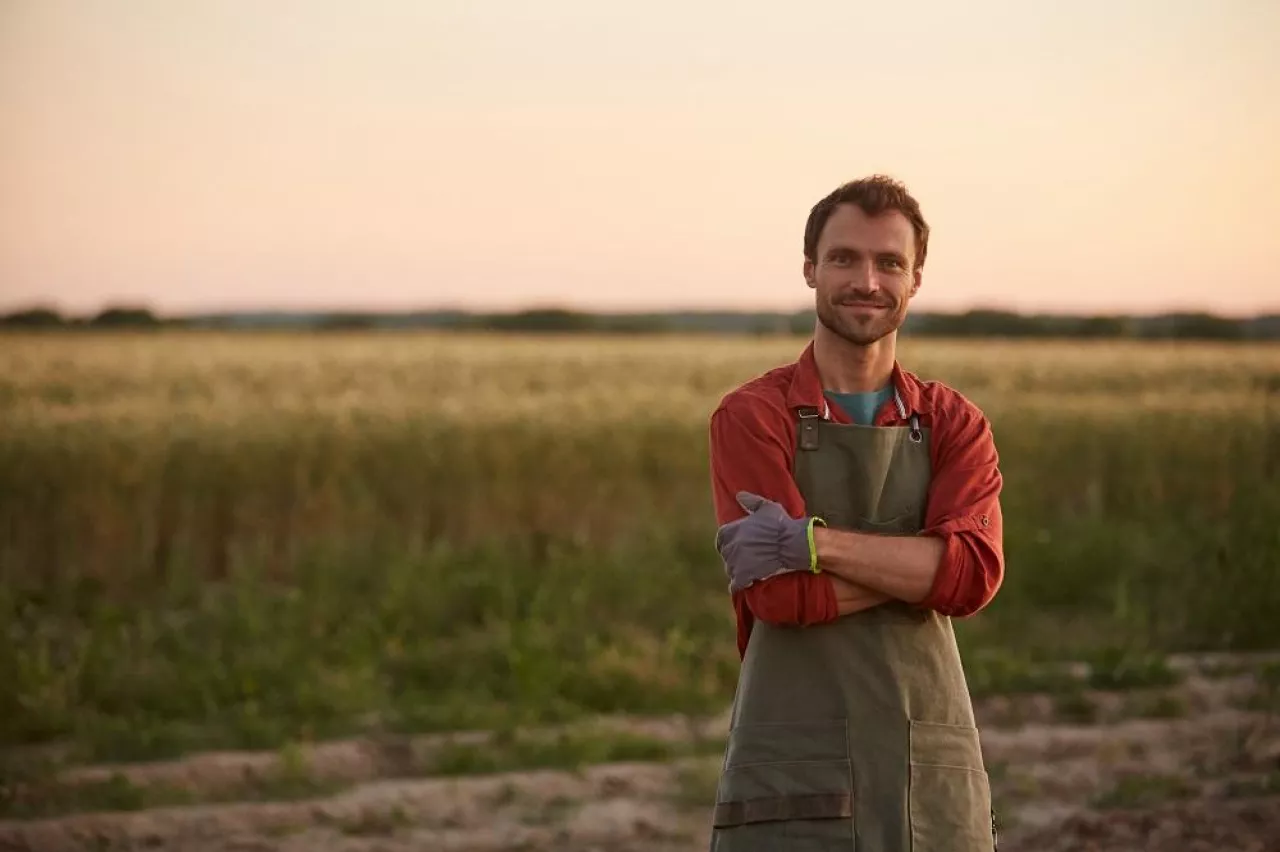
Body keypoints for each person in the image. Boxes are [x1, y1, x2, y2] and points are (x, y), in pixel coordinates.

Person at [706, 175, 1004, 851]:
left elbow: (974, 578)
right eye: (844, 258)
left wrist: (808, 544)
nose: (866, 280)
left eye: (888, 262)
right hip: (792, 769)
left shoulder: (956, 424)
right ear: (810, 268)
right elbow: (780, 597)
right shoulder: (753, 416)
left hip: (927, 765)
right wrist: (922, 565)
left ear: (916, 278)